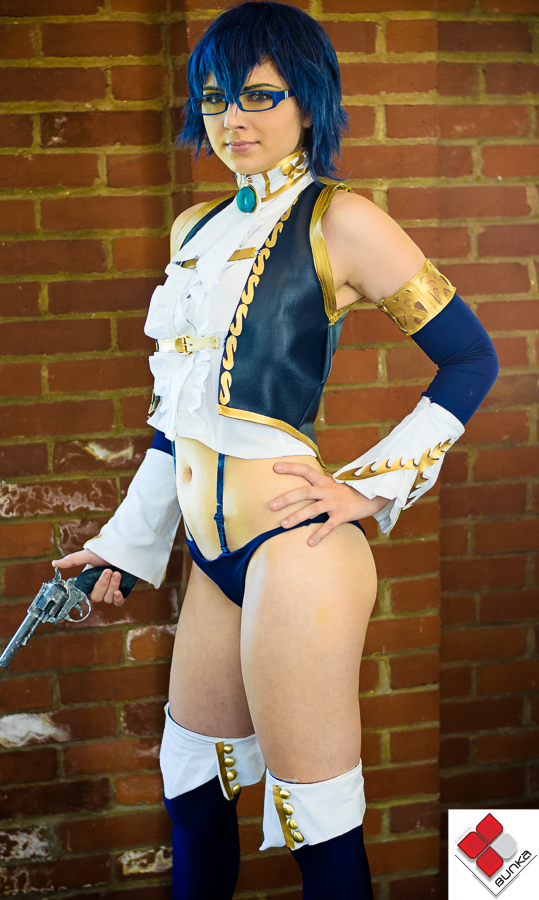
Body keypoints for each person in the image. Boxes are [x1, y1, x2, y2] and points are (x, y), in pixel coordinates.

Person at [53, 3, 499, 897]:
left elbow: (471, 359)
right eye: (216, 97)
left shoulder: (344, 222)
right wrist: (127, 544)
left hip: (297, 550)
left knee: (314, 825)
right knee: (192, 794)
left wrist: (369, 486)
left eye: (259, 95)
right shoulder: (193, 229)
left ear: (308, 101)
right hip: (211, 559)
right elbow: (178, 420)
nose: (233, 118)